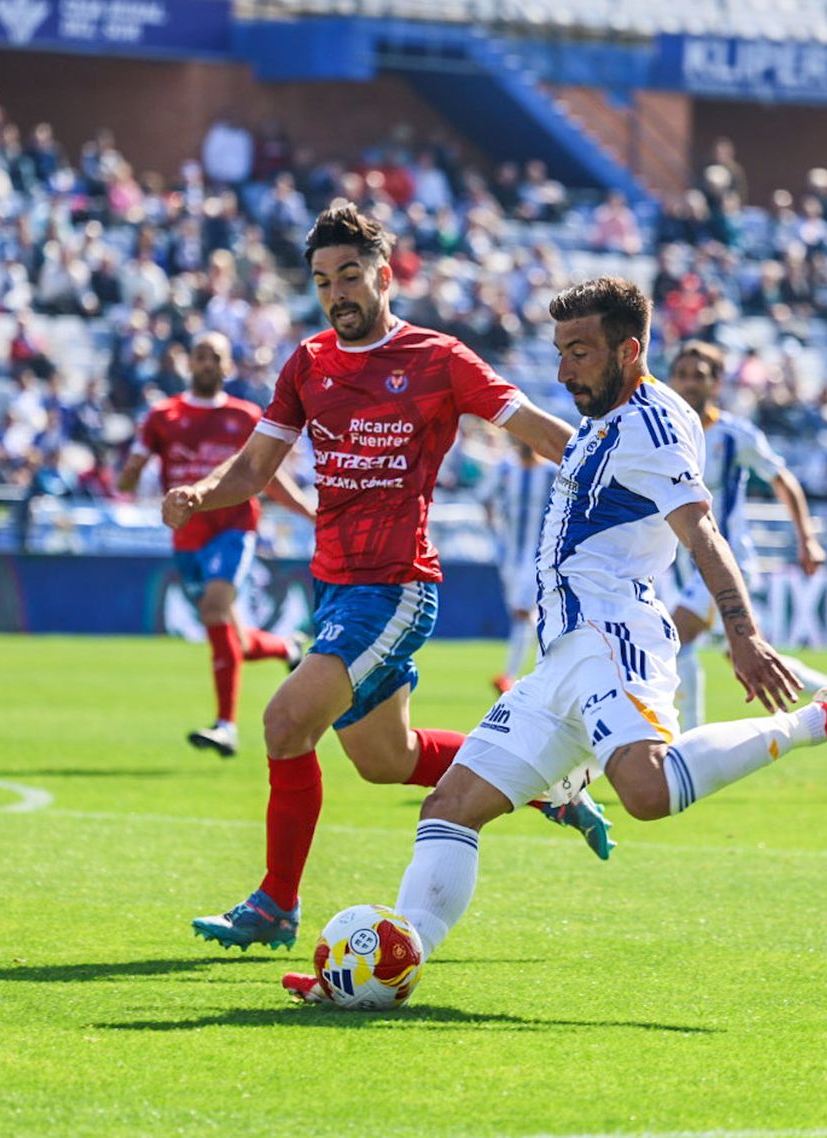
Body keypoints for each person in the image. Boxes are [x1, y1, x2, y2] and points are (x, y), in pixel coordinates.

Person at [280, 277, 827, 1002]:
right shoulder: (598, 421)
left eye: (580, 352)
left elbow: (698, 529)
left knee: (645, 792)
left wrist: (743, 634)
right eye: (559, 351)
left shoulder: (657, 424)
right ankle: (378, 970)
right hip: (563, 657)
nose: (564, 369)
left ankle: (817, 721)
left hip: (615, 638)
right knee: (447, 809)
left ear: (630, 349)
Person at [164, 202, 611, 951]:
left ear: (383, 276)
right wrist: (202, 495)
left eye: (349, 275)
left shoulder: (438, 359)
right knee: (386, 760)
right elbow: (254, 467)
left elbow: (531, 425)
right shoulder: (308, 364)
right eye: (322, 280)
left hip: (397, 586)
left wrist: (618, 472)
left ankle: (276, 903)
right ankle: (546, 784)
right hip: (335, 587)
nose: (336, 292)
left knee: (282, 723)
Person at [117, 331, 316, 757]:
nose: (207, 363)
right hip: (187, 536)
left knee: (213, 610)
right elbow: (128, 475)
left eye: (216, 357)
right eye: (201, 355)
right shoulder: (162, 416)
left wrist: (309, 512)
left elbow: (268, 479)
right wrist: (130, 472)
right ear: (189, 363)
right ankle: (286, 647)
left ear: (228, 367)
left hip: (234, 529)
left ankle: (226, 725)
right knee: (234, 640)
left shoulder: (246, 417)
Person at [666, 342, 827, 730]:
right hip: (686, 568)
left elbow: (783, 479)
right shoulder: (664, 434)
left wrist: (807, 538)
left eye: (699, 376)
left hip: (728, 562)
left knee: (674, 640)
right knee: (746, 654)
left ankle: (687, 746)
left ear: (716, 384)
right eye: (682, 374)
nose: (688, 383)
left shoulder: (735, 435)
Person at [483, 438, 553, 696]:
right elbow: (485, 497)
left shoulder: (551, 473)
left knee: (524, 612)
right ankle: (545, 668)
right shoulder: (504, 469)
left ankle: (510, 676)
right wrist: (495, 531)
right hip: (510, 556)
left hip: (540, 555)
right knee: (524, 616)